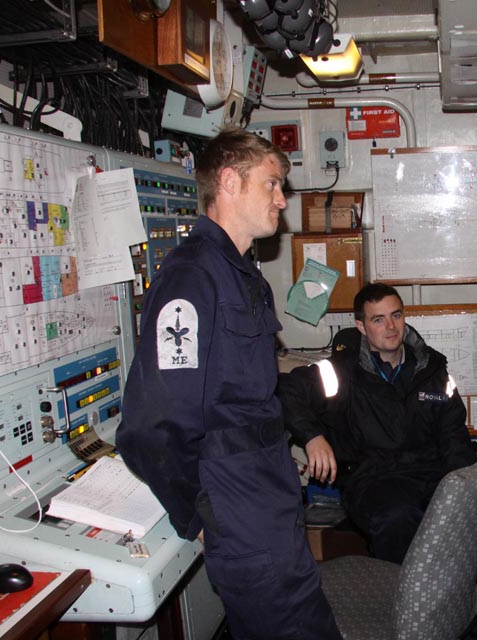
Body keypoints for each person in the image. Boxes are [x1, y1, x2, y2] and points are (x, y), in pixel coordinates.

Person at [116, 127, 342, 640]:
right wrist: (196, 511)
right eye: (272, 184)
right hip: (236, 499)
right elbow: (153, 423)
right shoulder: (190, 278)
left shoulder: (242, 276)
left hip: (269, 489)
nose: (282, 200)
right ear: (229, 182)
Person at [280, 283, 477, 601]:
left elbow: (453, 435)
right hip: (375, 477)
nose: (390, 327)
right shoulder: (341, 372)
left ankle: (466, 595)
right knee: (398, 519)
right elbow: (288, 390)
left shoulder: (432, 369)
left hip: (433, 471)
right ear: (361, 326)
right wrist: (313, 437)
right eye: (378, 319)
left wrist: (466, 483)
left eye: (396, 315)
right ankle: (405, 607)